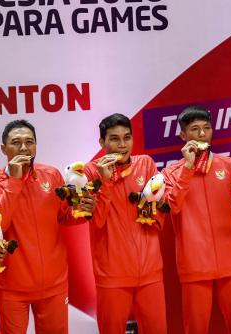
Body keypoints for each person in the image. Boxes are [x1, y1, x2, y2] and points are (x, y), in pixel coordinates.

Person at [0, 119, 94, 334]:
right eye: (16, 142)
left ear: (36, 146)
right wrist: (14, 182)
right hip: (12, 288)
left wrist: (84, 211)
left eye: (29, 142)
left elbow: (64, 216)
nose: (24, 148)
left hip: (54, 284)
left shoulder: (51, 175)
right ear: (3, 148)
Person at [161, 106, 231, 334]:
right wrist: (188, 168)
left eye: (206, 128)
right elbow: (173, 206)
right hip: (194, 264)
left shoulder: (229, 166)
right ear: (183, 135)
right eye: (195, 129)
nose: (202, 134)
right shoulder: (171, 173)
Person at [85, 113, 167, 333]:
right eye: (114, 139)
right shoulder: (90, 172)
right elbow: (97, 219)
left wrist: (153, 209)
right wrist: (106, 181)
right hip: (112, 275)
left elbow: (158, 215)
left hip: (150, 271)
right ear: (102, 142)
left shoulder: (146, 164)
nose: (122, 145)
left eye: (126, 138)